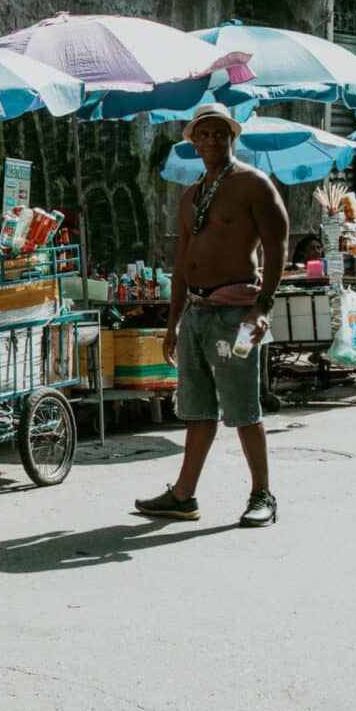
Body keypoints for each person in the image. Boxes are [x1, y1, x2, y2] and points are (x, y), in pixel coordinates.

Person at [136, 104, 287, 528]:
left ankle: (262, 494)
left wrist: (263, 307)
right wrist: (172, 324)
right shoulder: (191, 195)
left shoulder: (252, 184)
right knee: (197, 410)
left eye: (220, 133)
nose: (213, 140)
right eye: (204, 134)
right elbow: (182, 264)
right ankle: (183, 496)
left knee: (243, 409)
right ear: (194, 141)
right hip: (197, 316)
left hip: (235, 313)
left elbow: (277, 245)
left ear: (232, 137)